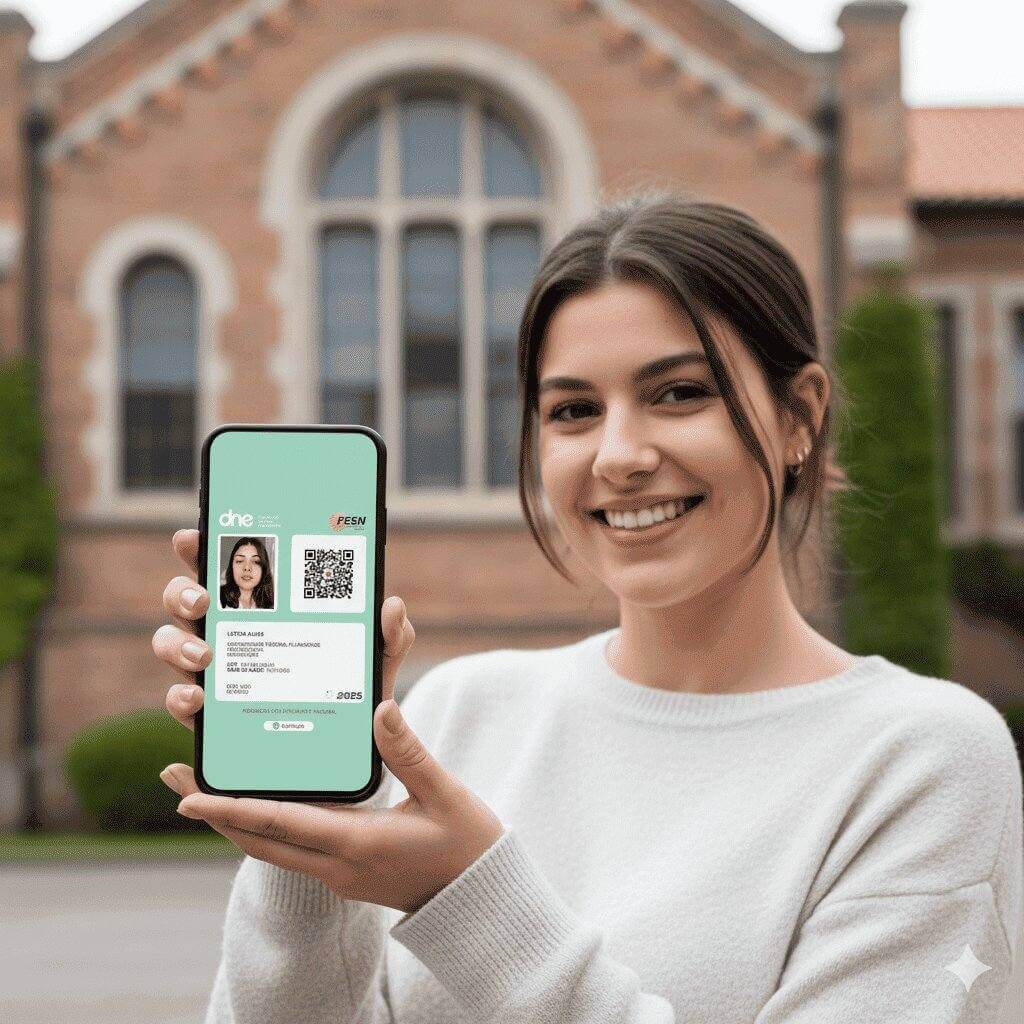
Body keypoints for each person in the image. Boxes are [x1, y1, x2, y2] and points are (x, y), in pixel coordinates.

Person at [152, 192, 1022, 1023]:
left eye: (679, 392)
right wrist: (308, 853)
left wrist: (466, 894)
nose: (618, 455)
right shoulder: (456, 711)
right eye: (572, 410)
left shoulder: (923, 758)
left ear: (799, 415)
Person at [218, 535, 275, 610]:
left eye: (255, 562)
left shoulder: (273, 603)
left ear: (264, 569)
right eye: (240, 561)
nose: (247, 568)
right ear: (231, 566)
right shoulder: (217, 597)